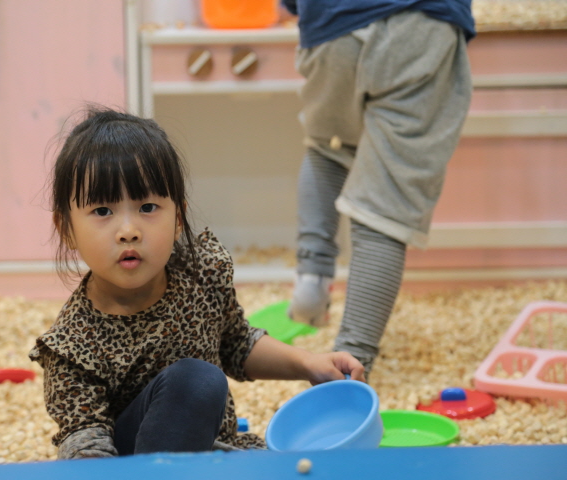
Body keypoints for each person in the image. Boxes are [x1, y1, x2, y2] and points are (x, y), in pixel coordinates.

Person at [29, 105, 365, 459]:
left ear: (178, 218)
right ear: (66, 229)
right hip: (128, 466)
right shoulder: (72, 345)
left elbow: (236, 344)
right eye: (102, 211)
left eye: (147, 207)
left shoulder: (200, 274)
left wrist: (308, 363)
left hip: (210, 453)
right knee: (195, 379)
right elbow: (86, 447)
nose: (128, 231)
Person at [282, 0, 475, 375]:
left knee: (328, 146)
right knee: (384, 203)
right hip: (422, 25)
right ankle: (351, 363)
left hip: (329, 27)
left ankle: (312, 276)